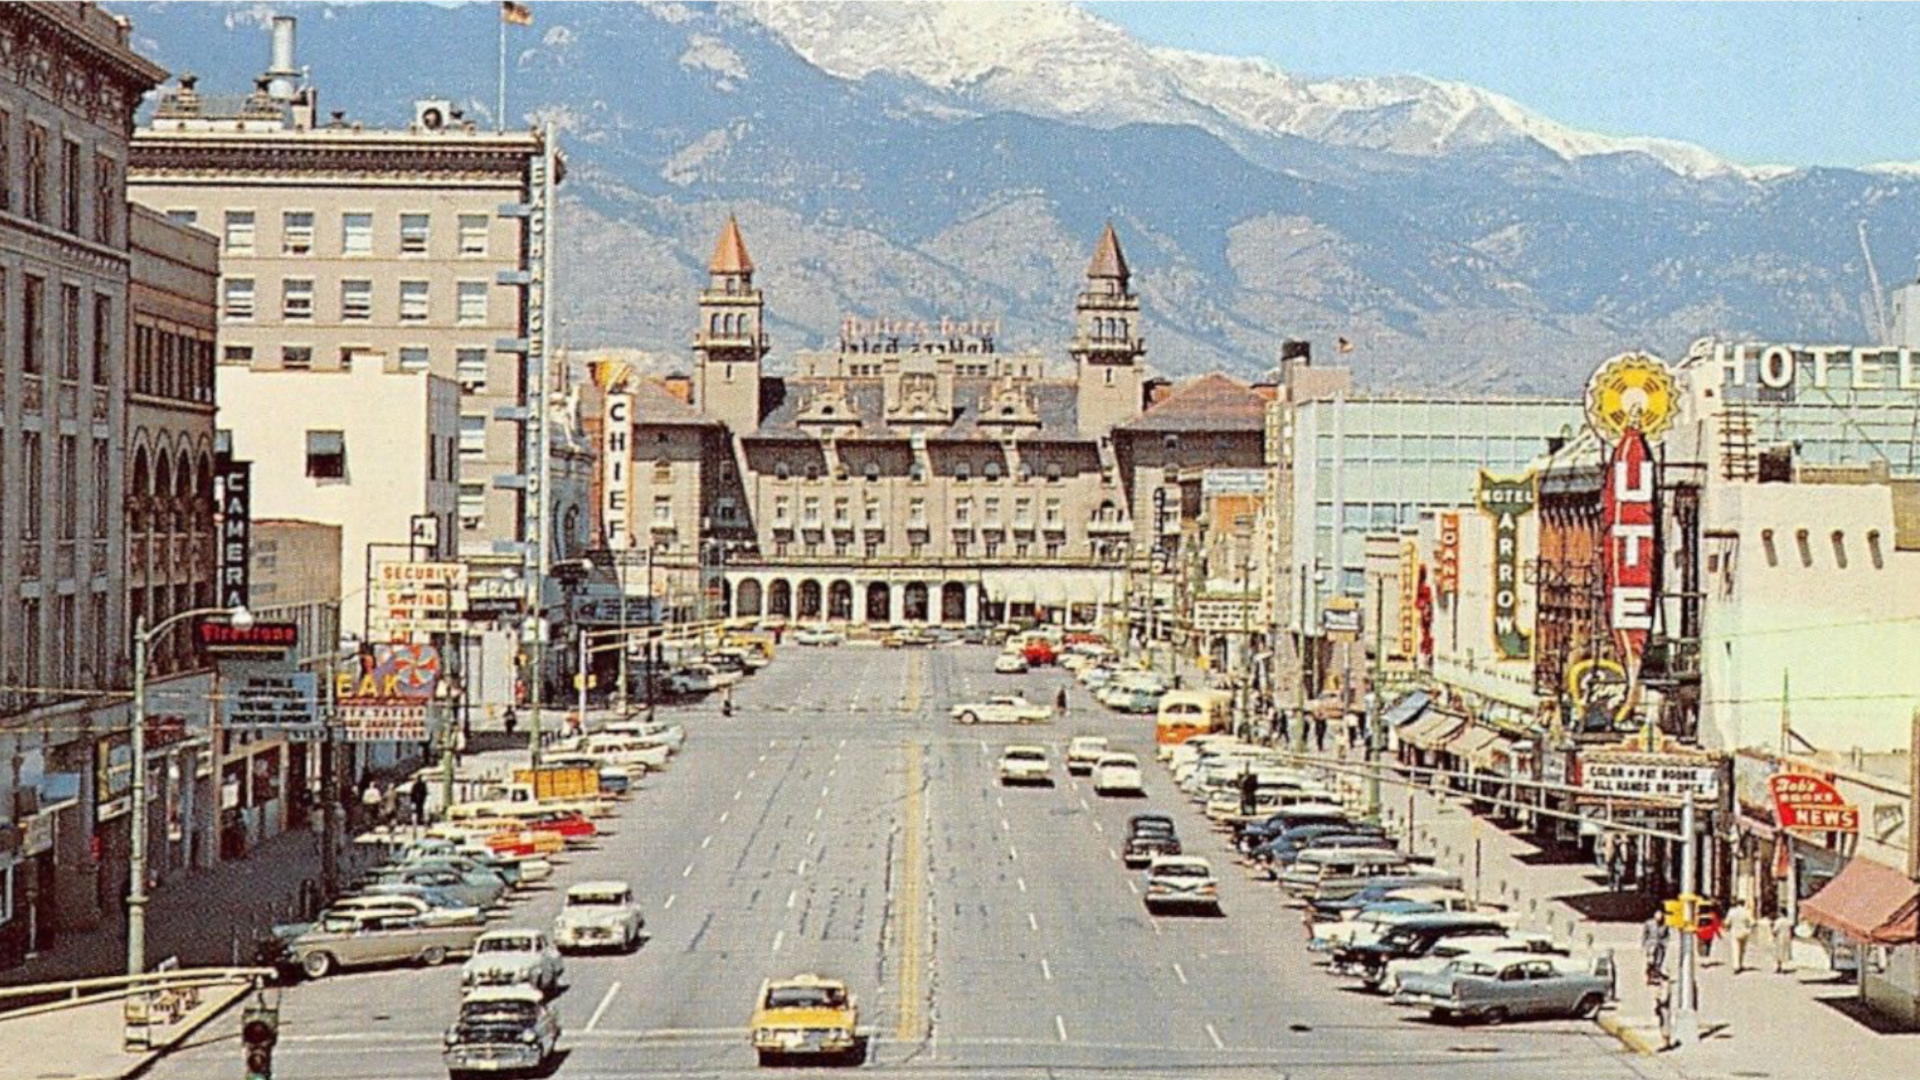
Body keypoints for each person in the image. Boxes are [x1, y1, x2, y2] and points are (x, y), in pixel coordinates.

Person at [1724, 900, 1754, 973]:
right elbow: (1752, 922)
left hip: (1734, 932)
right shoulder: (1747, 911)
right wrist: (1749, 929)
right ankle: (1740, 964)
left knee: (1735, 949)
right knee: (1742, 950)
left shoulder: (1731, 911)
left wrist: (1727, 927)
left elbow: (1727, 922)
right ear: (1743, 904)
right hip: (1744, 932)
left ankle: (1736, 966)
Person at [1641, 910, 1669, 983]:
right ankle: (1650, 976)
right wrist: (1644, 944)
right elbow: (1645, 934)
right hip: (1651, 945)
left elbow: (1666, 935)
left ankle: (1657, 973)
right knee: (1651, 961)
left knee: (1659, 961)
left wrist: (1665, 944)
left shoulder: (1665, 925)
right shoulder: (1649, 923)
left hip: (1660, 945)